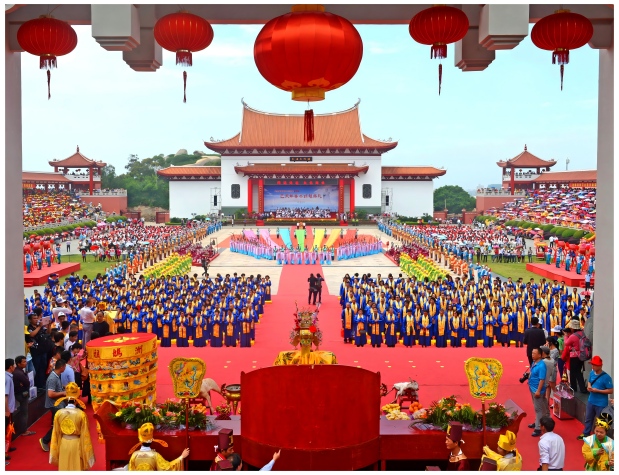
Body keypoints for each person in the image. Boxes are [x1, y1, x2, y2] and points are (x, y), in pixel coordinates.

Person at [49, 382, 95, 470]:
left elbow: (55, 433)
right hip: (76, 444)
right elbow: (85, 435)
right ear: (77, 398)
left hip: (63, 443)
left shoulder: (58, 414)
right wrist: (87, 455)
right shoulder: (81, 414)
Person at [579, 356, 614, 441]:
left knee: (601, 422)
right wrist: (589, 386)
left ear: (600, 366)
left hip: (601, 404)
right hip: (591, 401)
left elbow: (611, 390)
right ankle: (586, 434)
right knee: (588, 419)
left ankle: (599, 437)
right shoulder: (591, 373)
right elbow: (589, 382)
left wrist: (597, 390)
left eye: (595, 365)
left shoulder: (606, 377)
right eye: (592, 364)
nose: (593, 366)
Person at [39, 359, 67, 453]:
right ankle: (45, 440)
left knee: (59, 424)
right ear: (62, 367)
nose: (65, 368)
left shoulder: (56, 376)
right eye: (65, 366)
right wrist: (63, 393)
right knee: (58, 425)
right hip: (55, 405)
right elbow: (50, 394)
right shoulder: (53, 378)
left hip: (58, 403)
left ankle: (56, 442)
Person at [561, 320, 587, 394]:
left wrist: (566, 335)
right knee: (579, 372)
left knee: (573, 372)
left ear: (572, 328)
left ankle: (574, 387)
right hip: (582, 355)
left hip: (575, 355)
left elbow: (566, 343)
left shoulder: (573, 336)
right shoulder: (582, 333)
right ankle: (582, 388)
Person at [12, 355, 35, 438]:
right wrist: (24, 383)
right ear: (18, 364)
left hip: (19, 393)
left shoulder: (17, 371)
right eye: (24, 362)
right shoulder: (19, 373)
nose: (26, 363)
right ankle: (24, 430)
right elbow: (27, 383)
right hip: (21, 395)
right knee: (24, 413)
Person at [528, 348, 547, 437]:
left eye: (534, 353)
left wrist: (538, 391)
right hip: (532, 388)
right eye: (532, 353)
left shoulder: (542, 366)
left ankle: (538, 428)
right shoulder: (534, 362)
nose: (532, 355)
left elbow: (542, 380)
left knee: (538, 409)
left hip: (537, 390)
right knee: (536, 407)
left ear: (539, 355)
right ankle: (536, 422)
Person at [5, 359, 16, 464]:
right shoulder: (7, 379)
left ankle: (7, 448)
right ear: (10, 367)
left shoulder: (8, 377)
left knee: (8, 429)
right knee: (5, 431)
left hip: (8, 408)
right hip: (6, 410)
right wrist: (7, 410)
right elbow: (5, 396)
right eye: (14, 365)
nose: (15, 367)